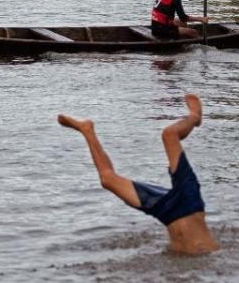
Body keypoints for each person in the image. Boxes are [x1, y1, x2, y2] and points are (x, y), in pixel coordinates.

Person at [58, 93, 219, 256]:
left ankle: (87, 129)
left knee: (107, 180)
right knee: (169, 134)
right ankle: (194, 117)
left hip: (167, 213)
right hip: (188, 201)